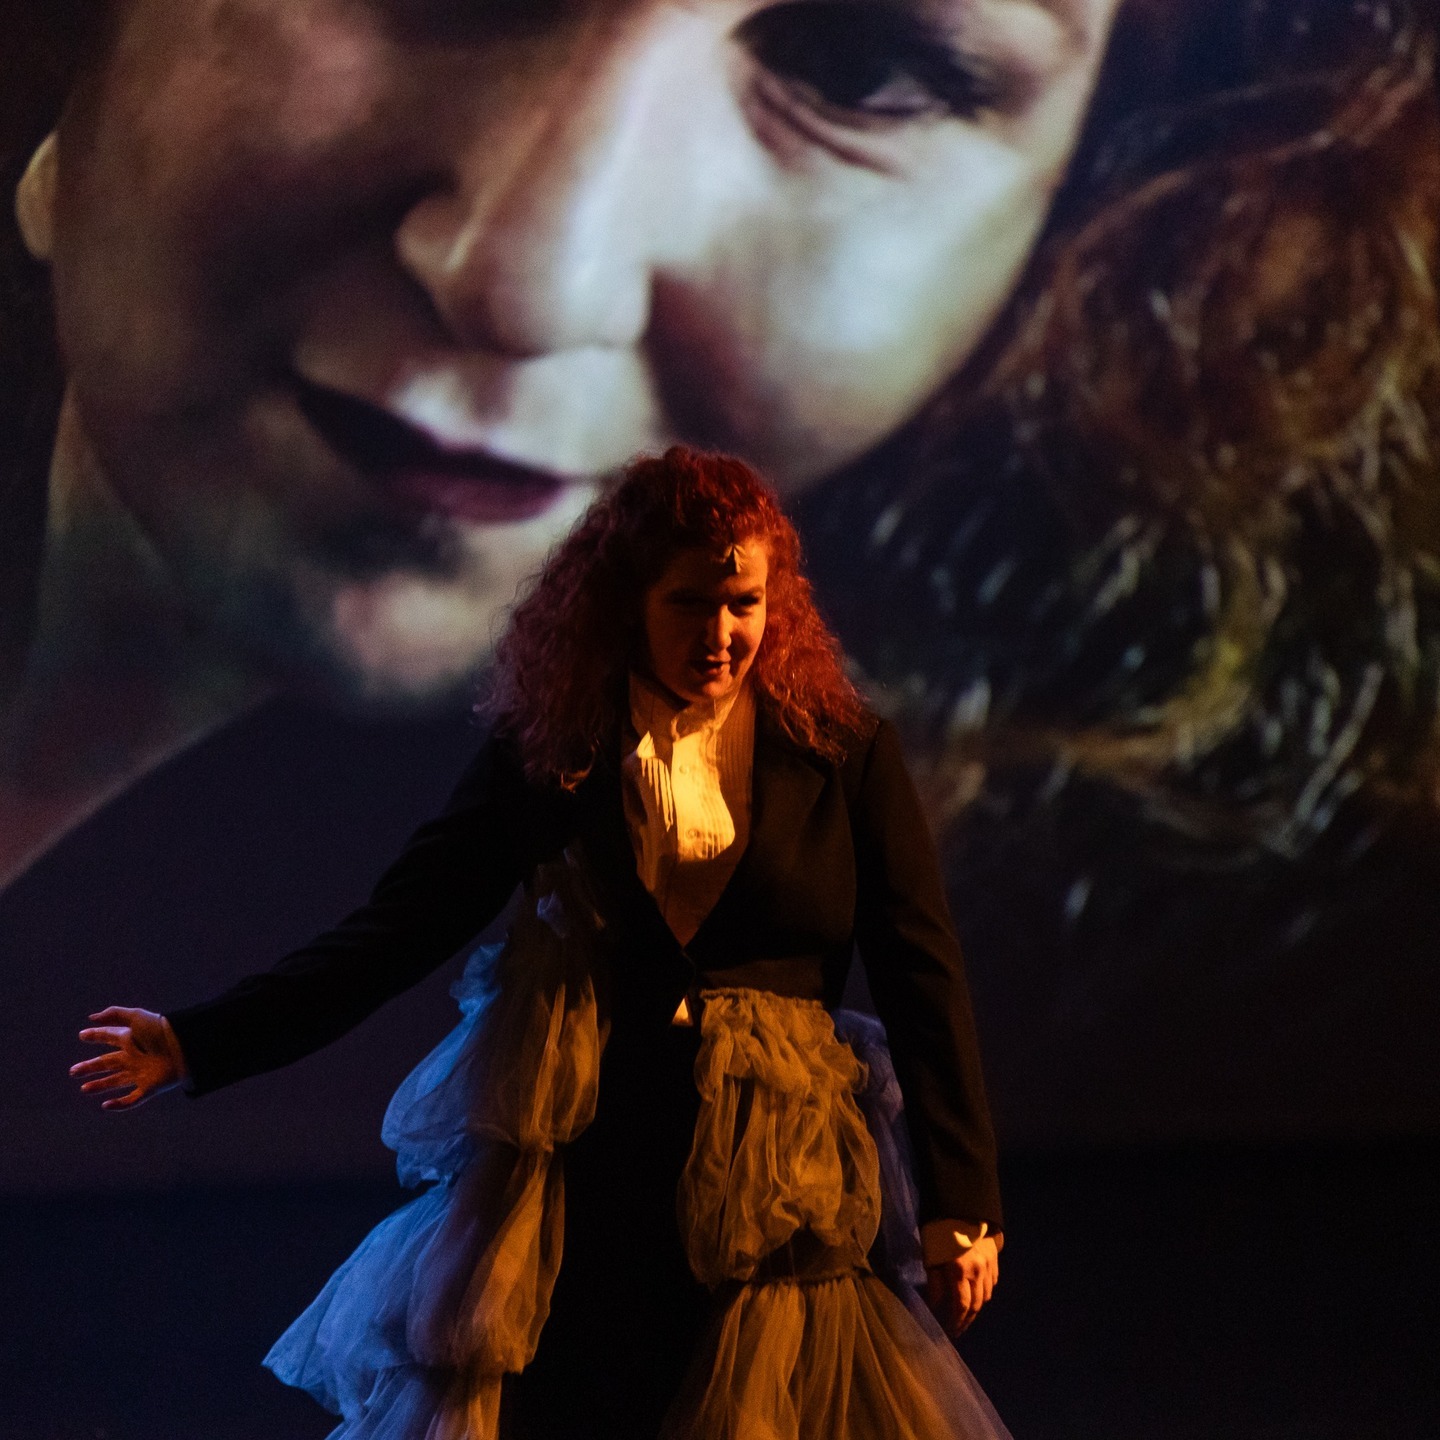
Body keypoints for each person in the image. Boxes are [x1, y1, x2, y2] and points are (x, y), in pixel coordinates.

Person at [71, 447, 1010, 1440]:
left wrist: (962, 1205)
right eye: (690, 603)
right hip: (595, 1163)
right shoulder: (556, 748)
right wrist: (200, 1041)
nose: (721, 633)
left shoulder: (839, 749)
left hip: (776, 1178)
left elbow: (922, 976)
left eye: (744, 603)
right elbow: (397, 931)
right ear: (628, 601)